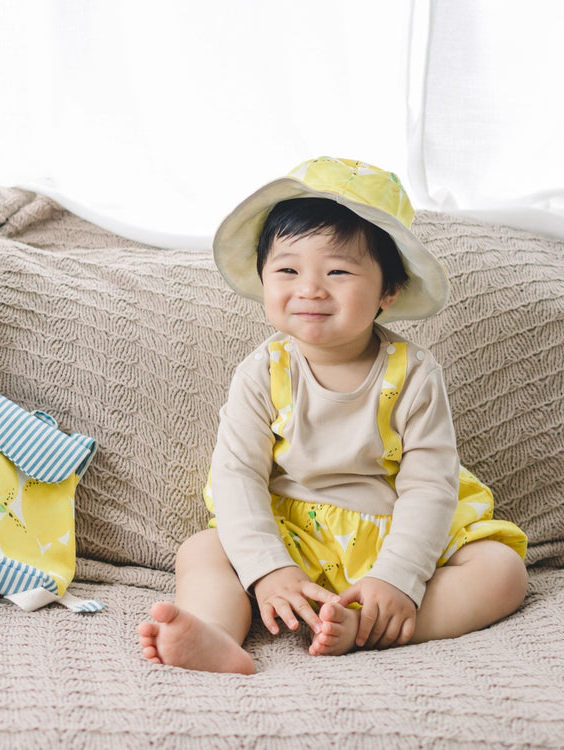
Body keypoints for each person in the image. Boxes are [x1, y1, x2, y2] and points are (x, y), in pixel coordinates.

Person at [138, 157, 528, 675]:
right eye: (288, 270)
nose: (311, 289)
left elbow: (431, 484)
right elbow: (237, 475)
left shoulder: (413, 374)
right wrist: (267, 567)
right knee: (203, 549)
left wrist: (399, 576)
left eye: (338, 271)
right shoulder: (264, 372)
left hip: (392, 535)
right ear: (263, 278)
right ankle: (212, 631)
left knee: (503, 572)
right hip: (292, 536)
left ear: (387, 291)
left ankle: (375, 624)